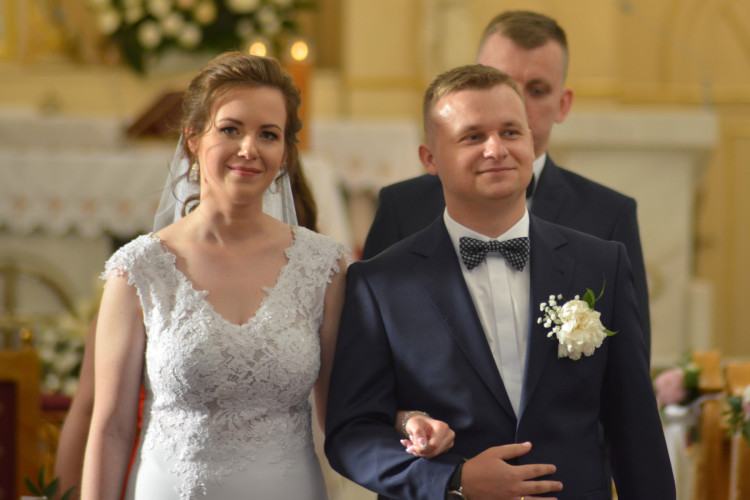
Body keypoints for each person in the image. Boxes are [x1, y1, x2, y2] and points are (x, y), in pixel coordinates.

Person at [325, 64, 675, 500]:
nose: (496, 149)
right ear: (430, 159)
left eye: (510, 132)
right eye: (473, 137)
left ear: (530, 139)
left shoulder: (601, 264)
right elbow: (352, 433)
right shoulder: (380, 283)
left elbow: (635, 427)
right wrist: (453, 480)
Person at [78, 52, 351, 500]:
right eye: (230, 129)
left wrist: (407, 423)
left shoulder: (325, 267)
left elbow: (342, 416)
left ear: (285, 153)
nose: (249, 148)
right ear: (193, 137)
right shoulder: (139, 269)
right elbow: (111, 429)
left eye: (268, 134)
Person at [361, 10, 651, 359]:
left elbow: (627, 363)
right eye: (499, 82)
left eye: (537, 90)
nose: (517, 103)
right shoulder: (403, 208)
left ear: (563, 105)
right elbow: (371, 351)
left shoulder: (609, 216)